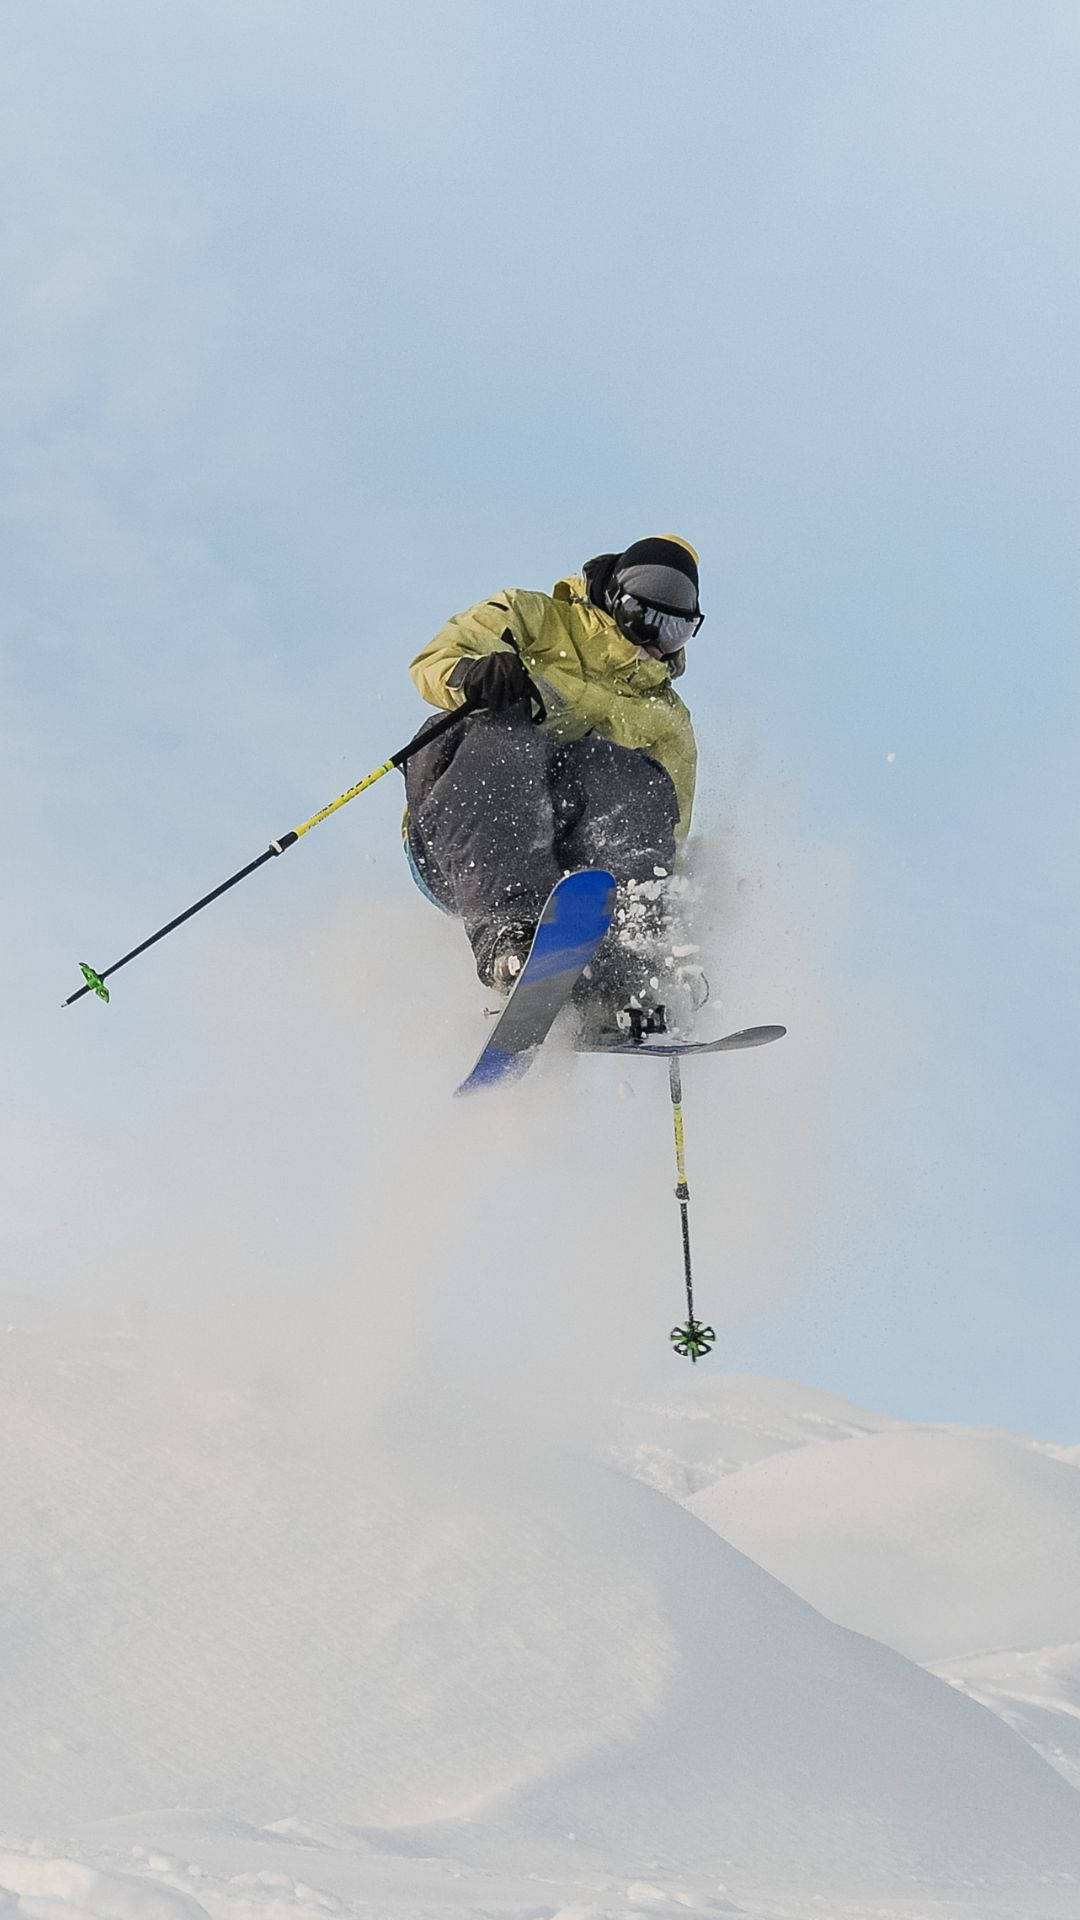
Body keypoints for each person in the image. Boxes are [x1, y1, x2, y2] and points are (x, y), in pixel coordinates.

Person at [402, 534, 704, 1028]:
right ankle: (511, 934)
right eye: (643, 619)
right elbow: (434, 660)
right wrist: (474, 675)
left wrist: (667, 925)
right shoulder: (534, 617)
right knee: (504, 733)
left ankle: (623, 971)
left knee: (635, 781)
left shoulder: (667, 719)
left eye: (674, 632)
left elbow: (668, 836)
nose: (653, 641)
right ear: (615, 601)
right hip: (459, 834)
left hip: (563, 856)